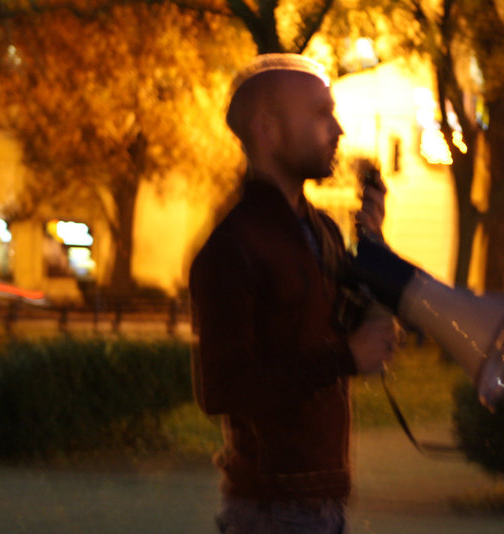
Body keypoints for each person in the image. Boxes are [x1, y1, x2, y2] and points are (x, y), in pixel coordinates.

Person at [189, 53, 398, 533]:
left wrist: (373, 246)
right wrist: (345, 357)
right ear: (268, 129)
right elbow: (222, 388)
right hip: (271, 509)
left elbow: (343, 327)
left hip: (318, 502)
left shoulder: (319, 228)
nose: (338, 129)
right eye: (321, 114)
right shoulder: (233, 246)